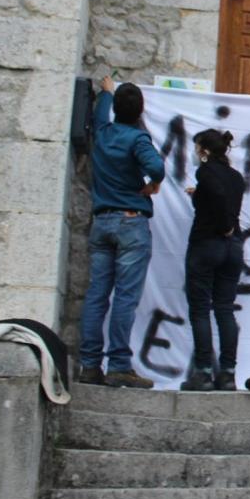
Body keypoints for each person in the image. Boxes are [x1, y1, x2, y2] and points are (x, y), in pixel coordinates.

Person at [79, 76, 165, 388]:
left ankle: (89, 364)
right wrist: (151, 185)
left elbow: (101, 115)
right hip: (130, 222)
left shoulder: (102, 133)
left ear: (116, 108)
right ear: (140, 111)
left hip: (102, 222)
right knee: (125, 298)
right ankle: (118, 365)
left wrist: (106, 93)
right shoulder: (137, 139)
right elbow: (157, 168)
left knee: (97, 295)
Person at [180, 129, 246, 392]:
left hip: (208, 244)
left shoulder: (205, 172)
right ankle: (228, 374)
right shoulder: (236, 176)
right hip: (233, 249)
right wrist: (199, 196)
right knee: (225, 308)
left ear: (204, 151)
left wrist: (224, 225)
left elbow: (218, 198)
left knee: (199, 309)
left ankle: (204, 372)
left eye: (197, 148)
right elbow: (222, 198)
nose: (196, 154)